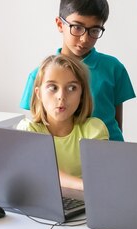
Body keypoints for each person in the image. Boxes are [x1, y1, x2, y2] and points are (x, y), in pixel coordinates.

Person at [20, 0, 135, 142]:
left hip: (108, 153)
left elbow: (116, 123)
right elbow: (38, 125)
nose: (84, 38)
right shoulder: (39, 75)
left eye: (94, 30)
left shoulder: (113, 68)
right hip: (63, 158)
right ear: (60, 24)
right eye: (77, 27)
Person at [17, 54, 109, 191]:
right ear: (38, 93)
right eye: (53, 87)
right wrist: (83, 185)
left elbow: (100, 176)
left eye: (72, 88)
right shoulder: (28, 130)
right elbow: (43, 171)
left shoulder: (94, 129)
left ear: (82, 95)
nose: (61, 96)